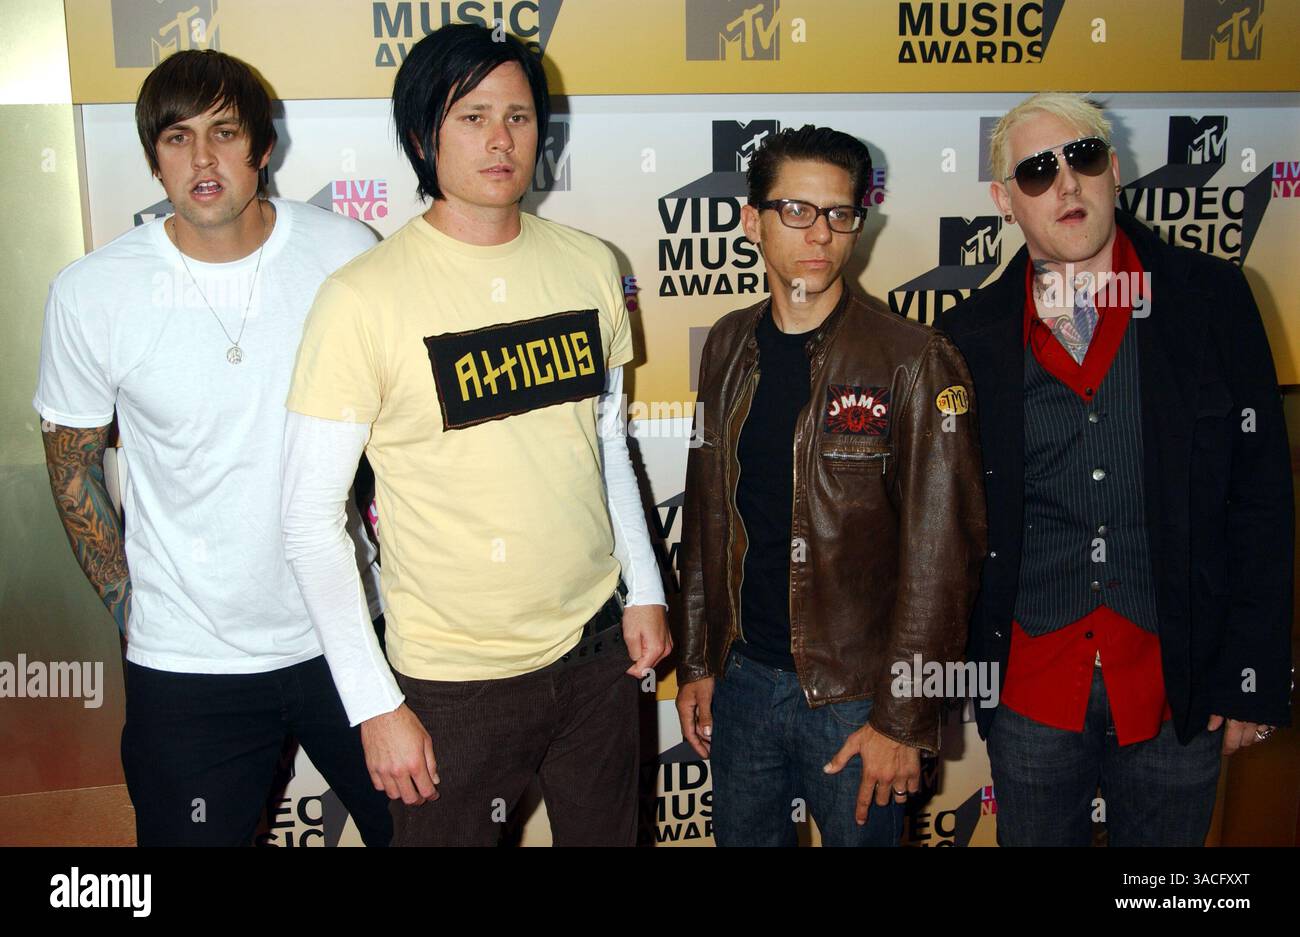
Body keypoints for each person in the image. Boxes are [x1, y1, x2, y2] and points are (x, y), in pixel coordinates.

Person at [280, 23, 670, 847]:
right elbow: (308, 519)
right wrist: (375, 702)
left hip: (598, 656)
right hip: (451, 684)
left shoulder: (590, 264)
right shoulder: (361, 300)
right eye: (472, 115)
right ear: (423, 135)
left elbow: (605, 442)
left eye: (520, 117)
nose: (500, 139)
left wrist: (644, 588)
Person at [33, 49, 391, 846]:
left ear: (262, 146)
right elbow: (72, 466)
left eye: (224, 133)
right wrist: (131, 609)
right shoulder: (93, 292)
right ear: (153, 157)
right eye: (176, 137)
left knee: (434, 832)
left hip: (348, 636)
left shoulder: (345, 253)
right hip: (186, 666)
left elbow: (396, 440)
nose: (201, 159)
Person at [940, 92, 1294, 846]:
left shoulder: (1213, 299)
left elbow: (1261, 501)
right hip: (1033, 690)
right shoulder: (965, 336)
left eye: (1084, 157)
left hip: (1178, 685)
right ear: (1005, 201)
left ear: (1115, 170)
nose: (1065, 183)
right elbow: (945, 526)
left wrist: (1250, 675)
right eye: (1037, 171)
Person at [674, 125, 987, 846]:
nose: (821, 233)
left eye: (840, 213)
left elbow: (943, 558)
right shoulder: (726, 343)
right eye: (797, 210)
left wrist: (904, 717)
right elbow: (707, 513)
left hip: (858, 698)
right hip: (743, 681)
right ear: (751, 220)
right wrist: (697, 660)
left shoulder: (915, 359)